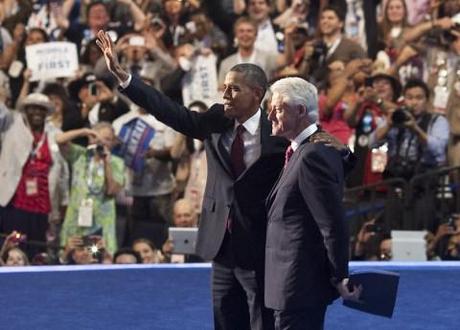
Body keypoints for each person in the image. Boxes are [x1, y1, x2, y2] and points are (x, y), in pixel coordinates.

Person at [96, 29, 350, 330]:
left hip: (263, 245)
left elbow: (319, 154)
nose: (225, 95)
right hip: (221, 244)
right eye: (225, 88)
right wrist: (126, 80)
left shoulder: (280, 130)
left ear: (257, 94)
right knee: (225, 321)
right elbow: (173, 113)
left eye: (234, 89)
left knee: (263, 322)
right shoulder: (217, 119)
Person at [265, 77, 361, 330]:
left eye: (277, 109)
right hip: (292, 285)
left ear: (299, 111)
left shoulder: (312, 154)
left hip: (298, 285)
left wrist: (340, 275)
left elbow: (331, 222)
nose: (270, 116)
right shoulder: (311, 148)